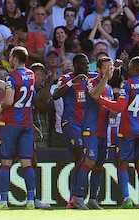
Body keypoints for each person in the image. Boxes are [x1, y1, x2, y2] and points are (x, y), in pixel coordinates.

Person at [95, 56, 139, 209]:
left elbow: (119, 107)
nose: (128, 69)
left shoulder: (127, 84)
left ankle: (127, 198)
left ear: (134, 69)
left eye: (130, 66)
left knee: (122, 163)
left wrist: (100, 99)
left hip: (128, 128)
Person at [0, 46, 37, 210]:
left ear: (14, 58)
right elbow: (15, 89)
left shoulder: (11, 76)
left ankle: (2, 201)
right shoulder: (31, 75)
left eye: (10, 56)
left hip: (10, 124)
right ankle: (30, 199)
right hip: (26, 123)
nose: (9, 59)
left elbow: (9, 100)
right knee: (26, 163)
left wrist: (1, 107)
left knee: (6, 162)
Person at [72, 56, 114, 210]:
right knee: (89, 161)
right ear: (98, 69)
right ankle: (78, 197)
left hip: (103, 131)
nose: (110, 70)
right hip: (91, 130)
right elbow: (95, 95)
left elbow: (112, 110)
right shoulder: (91, 82)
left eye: (111, 67)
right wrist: (106, 79)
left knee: (99, 165)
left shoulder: (109, 88)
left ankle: (93, 199)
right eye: (106, 67)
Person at [52, 53, 93, 208]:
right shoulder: (66, 78)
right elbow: (55, 96)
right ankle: (75, 197)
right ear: (76, 65)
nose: (87, 67)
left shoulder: (91, 77)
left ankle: (74, 198)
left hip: (85, 123)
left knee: (83, 158)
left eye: (88, 64)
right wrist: (71, 83)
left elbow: (106, 76)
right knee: (79, 151)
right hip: (70, 121)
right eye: (84, 64)